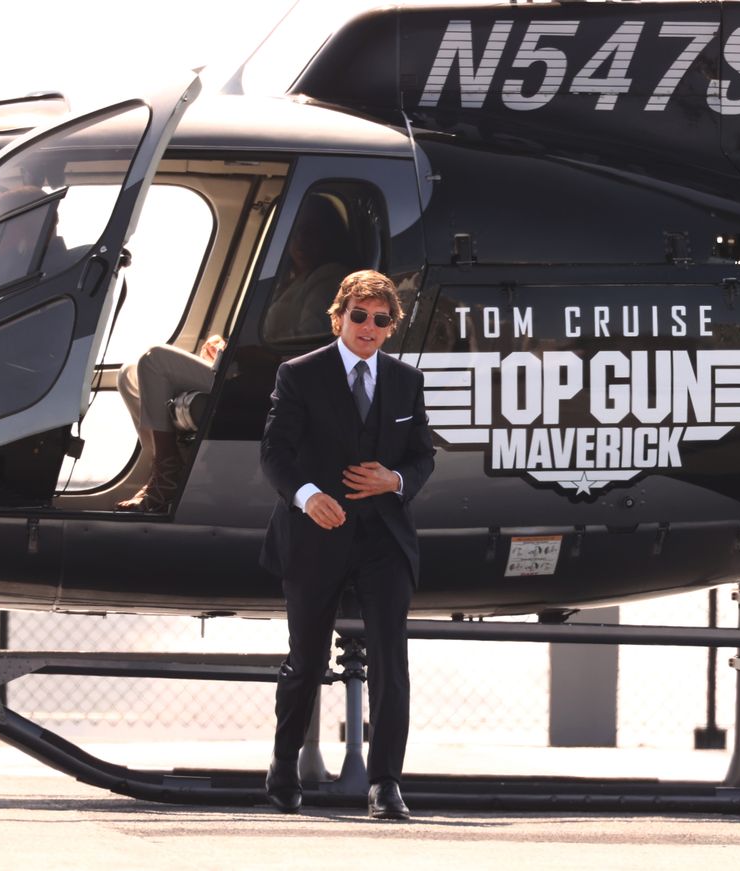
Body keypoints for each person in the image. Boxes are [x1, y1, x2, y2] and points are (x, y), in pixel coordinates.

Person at [258, 269, 435, 820]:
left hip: (384, 537)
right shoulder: (299, 374)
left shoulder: (406, 381)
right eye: (359, 316)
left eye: (381, 319)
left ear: (390, 328)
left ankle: (385, 783)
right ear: (338, 319)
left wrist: (396, 481)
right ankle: (284, 765)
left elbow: (423, 455)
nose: (368, 327)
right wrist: (308, 496)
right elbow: (275, 455)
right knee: (306, 660)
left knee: (390, 659)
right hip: (317, 533)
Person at [115, 333, 225, 512]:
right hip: (231, 365)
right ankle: (160, 469)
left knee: (154, 359)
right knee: (129, 373)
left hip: (256, 380)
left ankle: (168, 474)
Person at [262, 194, 356, 340]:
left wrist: (259, 352)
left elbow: (310, 335)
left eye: (310, 232)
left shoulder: (331, 277)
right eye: (294, 231)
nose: (300, 241)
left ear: (329, 235)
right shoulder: (290, 279)